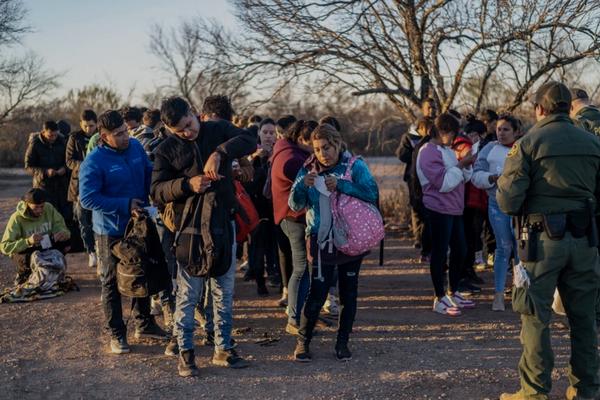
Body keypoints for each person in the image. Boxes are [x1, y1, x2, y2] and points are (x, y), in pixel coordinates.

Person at [497, 82, 600, 400]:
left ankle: (534, 391)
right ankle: (587, 389)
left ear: (539, 109)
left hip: (541, 244)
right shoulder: (593, 142)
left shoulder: (528, 143)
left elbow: (509, 201)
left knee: (535, 316)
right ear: (569, 107)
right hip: (584, 241)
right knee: (583, 318)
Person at [151, 96, 256, 377]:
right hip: (190, 230)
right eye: (179, 131)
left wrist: (220, 152)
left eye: (188, 124)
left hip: (224, 223)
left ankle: (223, 348)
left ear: (194, 113)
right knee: (188, 294)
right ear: (169, 129)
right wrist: (187, 184)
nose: (187, 132)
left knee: (224, 291)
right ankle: (186, 352)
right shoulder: (165, 149)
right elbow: (157, 191)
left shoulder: (218, 128)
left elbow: (250, 139)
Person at [79, 110, 167, 356]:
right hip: (110, 230)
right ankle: (117, 333)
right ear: (104, 136)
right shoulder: (94, 162)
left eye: (125, 131)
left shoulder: (136, 147)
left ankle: (145, 323)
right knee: (110, 282)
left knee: (143, 272)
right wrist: (125, 204)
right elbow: (87, 198)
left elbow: (149, 173)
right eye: (118, 134)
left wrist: (160, 190)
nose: (125, 136)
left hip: (139, 225)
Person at [289, 123, 378, 362]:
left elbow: (371, 193)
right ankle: (302, 343)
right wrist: (301, 186)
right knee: (317, 293)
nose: (322, 154)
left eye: (326, 147)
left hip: (349, 237)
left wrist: (343, 185)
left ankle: (342, 342)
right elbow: (294, 205)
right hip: (320, 239)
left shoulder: (355, 166)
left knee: (349, 293)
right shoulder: (308, 168)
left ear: (337, 144)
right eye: (317, 149)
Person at [416, 113, 476, 316]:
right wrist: (461, 164)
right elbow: (443, 183)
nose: (454, 138)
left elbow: (461, 178)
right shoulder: (427, 152)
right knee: (440, 253)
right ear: (442, 131)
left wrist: (467, 164)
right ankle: (439, 297)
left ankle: (453, 290)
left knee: (461, 249)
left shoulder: (446, 151)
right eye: (452, 133)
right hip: (438, 208)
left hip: (454, 208)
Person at [472, 114, 520, 311]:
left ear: (517, 132)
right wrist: (491, 178)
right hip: (497, 204)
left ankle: (519, 293)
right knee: (503, 247)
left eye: (506, 129)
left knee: (521, 249)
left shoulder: (524, 147)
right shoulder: (490, 148)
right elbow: (476, 174)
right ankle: (498, 295)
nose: (501, 133)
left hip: (521, 207)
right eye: (499, 129)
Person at [271, 120, 315, 333]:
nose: (315, 148)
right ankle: (294, 319)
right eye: (312, 143)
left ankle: (298, 315)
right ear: (300, 139)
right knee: (301, 269)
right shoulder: (292, 159)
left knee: (302, 268)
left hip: (288, 217)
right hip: (294, 217)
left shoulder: (284, 150)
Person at [0, 188, 70, 285]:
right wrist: (28, 241)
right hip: (27, 250)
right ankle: (24, 273)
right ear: (27, 204)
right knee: (30, 257)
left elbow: (62, 227)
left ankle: (50, 269)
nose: (40, 210)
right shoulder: (16, 218)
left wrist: (62, 233)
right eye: (36, 207)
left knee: (67, 243)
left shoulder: (48, 208)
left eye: (42, 206)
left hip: (45, 244)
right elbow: (4, 247)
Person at [245, 118, 278, 296]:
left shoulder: (279, 154)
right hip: (255, 208)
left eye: (271, 132)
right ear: (259, 134)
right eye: (265, 132)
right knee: (256, 248)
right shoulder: (252, 155)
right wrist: (254, 159)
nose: (268, 136)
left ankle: (276, 275)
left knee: (274, 247)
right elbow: (246, 181)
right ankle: (259, 281)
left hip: (274, 208)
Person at [66, 109, 98, 268]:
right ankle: (90, 251)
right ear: (80, 124)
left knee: (98, 220)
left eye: (91, 126)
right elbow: (69, 161)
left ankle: (99, 249)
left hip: (98, 184)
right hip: (78, 185)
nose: (88, 129)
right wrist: (85, 165)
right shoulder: (74, 137)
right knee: (83, 221)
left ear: (96, 124)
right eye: (85, 126)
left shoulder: (101, 136)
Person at [460, 117, 487, 287]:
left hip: (472, 199)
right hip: (467, 199)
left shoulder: (468, 147)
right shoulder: (465, 148)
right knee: (468, 237)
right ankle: (465, 273)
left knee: (472, 236)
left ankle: (469, 271)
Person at [24, 121, 70, 220]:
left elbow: (69, 161)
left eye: (55, 135)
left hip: (62, 187)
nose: (53, 138)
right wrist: (45, 172)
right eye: (50, 135)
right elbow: (28, 167)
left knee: (65, 217)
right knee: (47, 217)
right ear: (43, 132)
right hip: (43, 187)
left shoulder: (62, 141)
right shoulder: (35, 144)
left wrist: (65, 168)